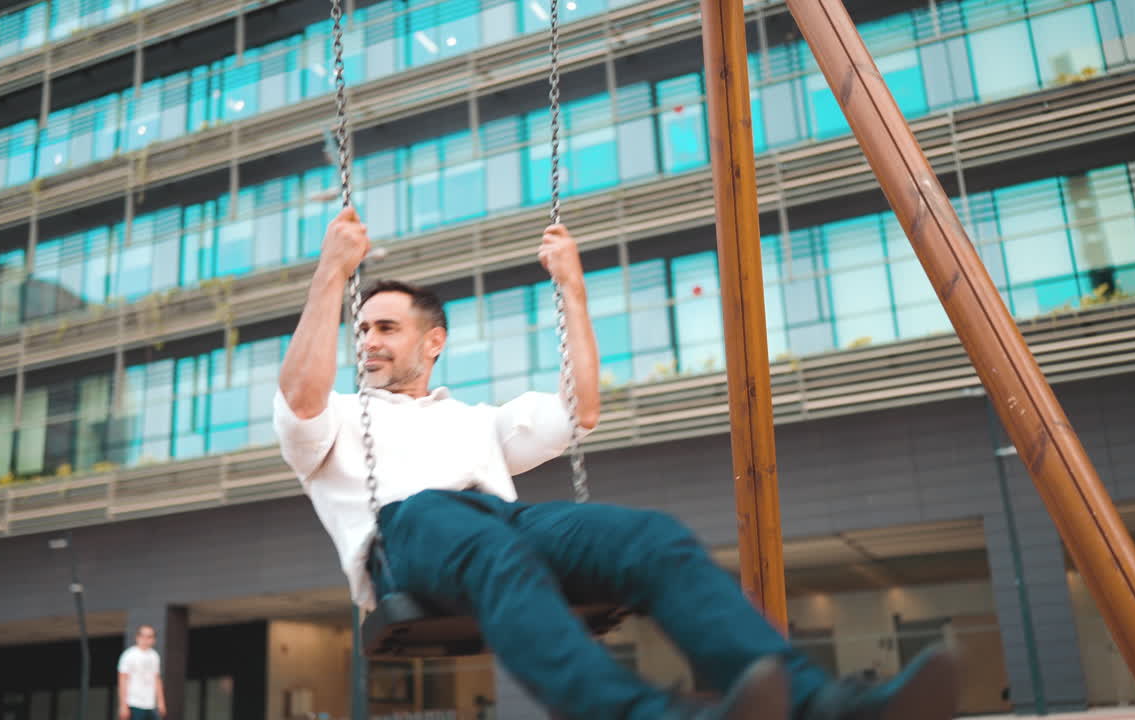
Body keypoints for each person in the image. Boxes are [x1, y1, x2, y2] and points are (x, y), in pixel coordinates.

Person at [274, 206, 962, 720]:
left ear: (434, 343)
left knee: (649, 538)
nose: (368, 341)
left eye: (386, 328)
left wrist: (572, 289)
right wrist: (333, 274)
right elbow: (300, 396)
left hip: (506, 521)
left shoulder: (475, 420)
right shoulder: (335, 415)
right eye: (362, 329)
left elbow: (581, 411)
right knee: (484, 542)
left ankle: (820, 705)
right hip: (408, 535)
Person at [118, 624, 166, 720]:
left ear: (153, 639)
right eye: (143, 636)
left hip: (150, 704)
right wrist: (123, 705)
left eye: (149, 637)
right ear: (137, 637)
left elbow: (157, 679)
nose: (145, 640)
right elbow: (122, 680)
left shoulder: (154, 656)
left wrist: (161, 702)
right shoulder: (129, 655)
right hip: (133, 703)